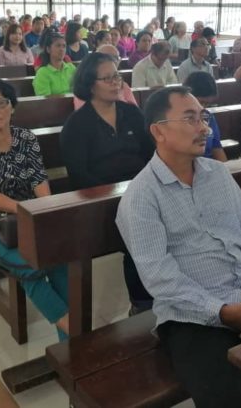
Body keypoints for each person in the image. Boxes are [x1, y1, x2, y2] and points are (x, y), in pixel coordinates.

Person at [116, 86, 241, 408]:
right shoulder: (141, 197)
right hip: (190, 317)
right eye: (190, 119)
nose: (204, 128)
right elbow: (159, 276)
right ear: (159, 131)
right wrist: (224, 313)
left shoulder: (218, 175)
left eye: (203, 117)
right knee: (231, 397)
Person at [0, 77, 69, 341]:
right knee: (30, 267)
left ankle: (69, 343)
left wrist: (45, 209)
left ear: (12, 106)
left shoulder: (26, 138)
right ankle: (73, 327)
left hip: (29, 217)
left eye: (1, 103)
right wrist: (27, 211)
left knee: (61, 258)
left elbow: (37, 177)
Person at [61, 52, 155, 313]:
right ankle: (142, 303)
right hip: (101, 200)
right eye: (108, 78)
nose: (117, 83)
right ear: (91, 84)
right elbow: (79, 175)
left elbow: (151, 154)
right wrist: (119, 195)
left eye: (118, 76)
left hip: (142, 191)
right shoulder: (78, 125)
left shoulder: (131, 114)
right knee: (141, 233)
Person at [73, 44, 138, 109]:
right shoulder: (85, 88)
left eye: (115, 58)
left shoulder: (123, 85)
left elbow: (135, 110)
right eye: (107, 78)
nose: (111, 61)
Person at [184, 71, 227, 162]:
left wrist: (226, 171)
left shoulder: (208, 117)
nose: (203, 107)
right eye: (201, 102)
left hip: (209, 167)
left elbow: (217, 148)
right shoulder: (179, 120)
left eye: (207, 104)